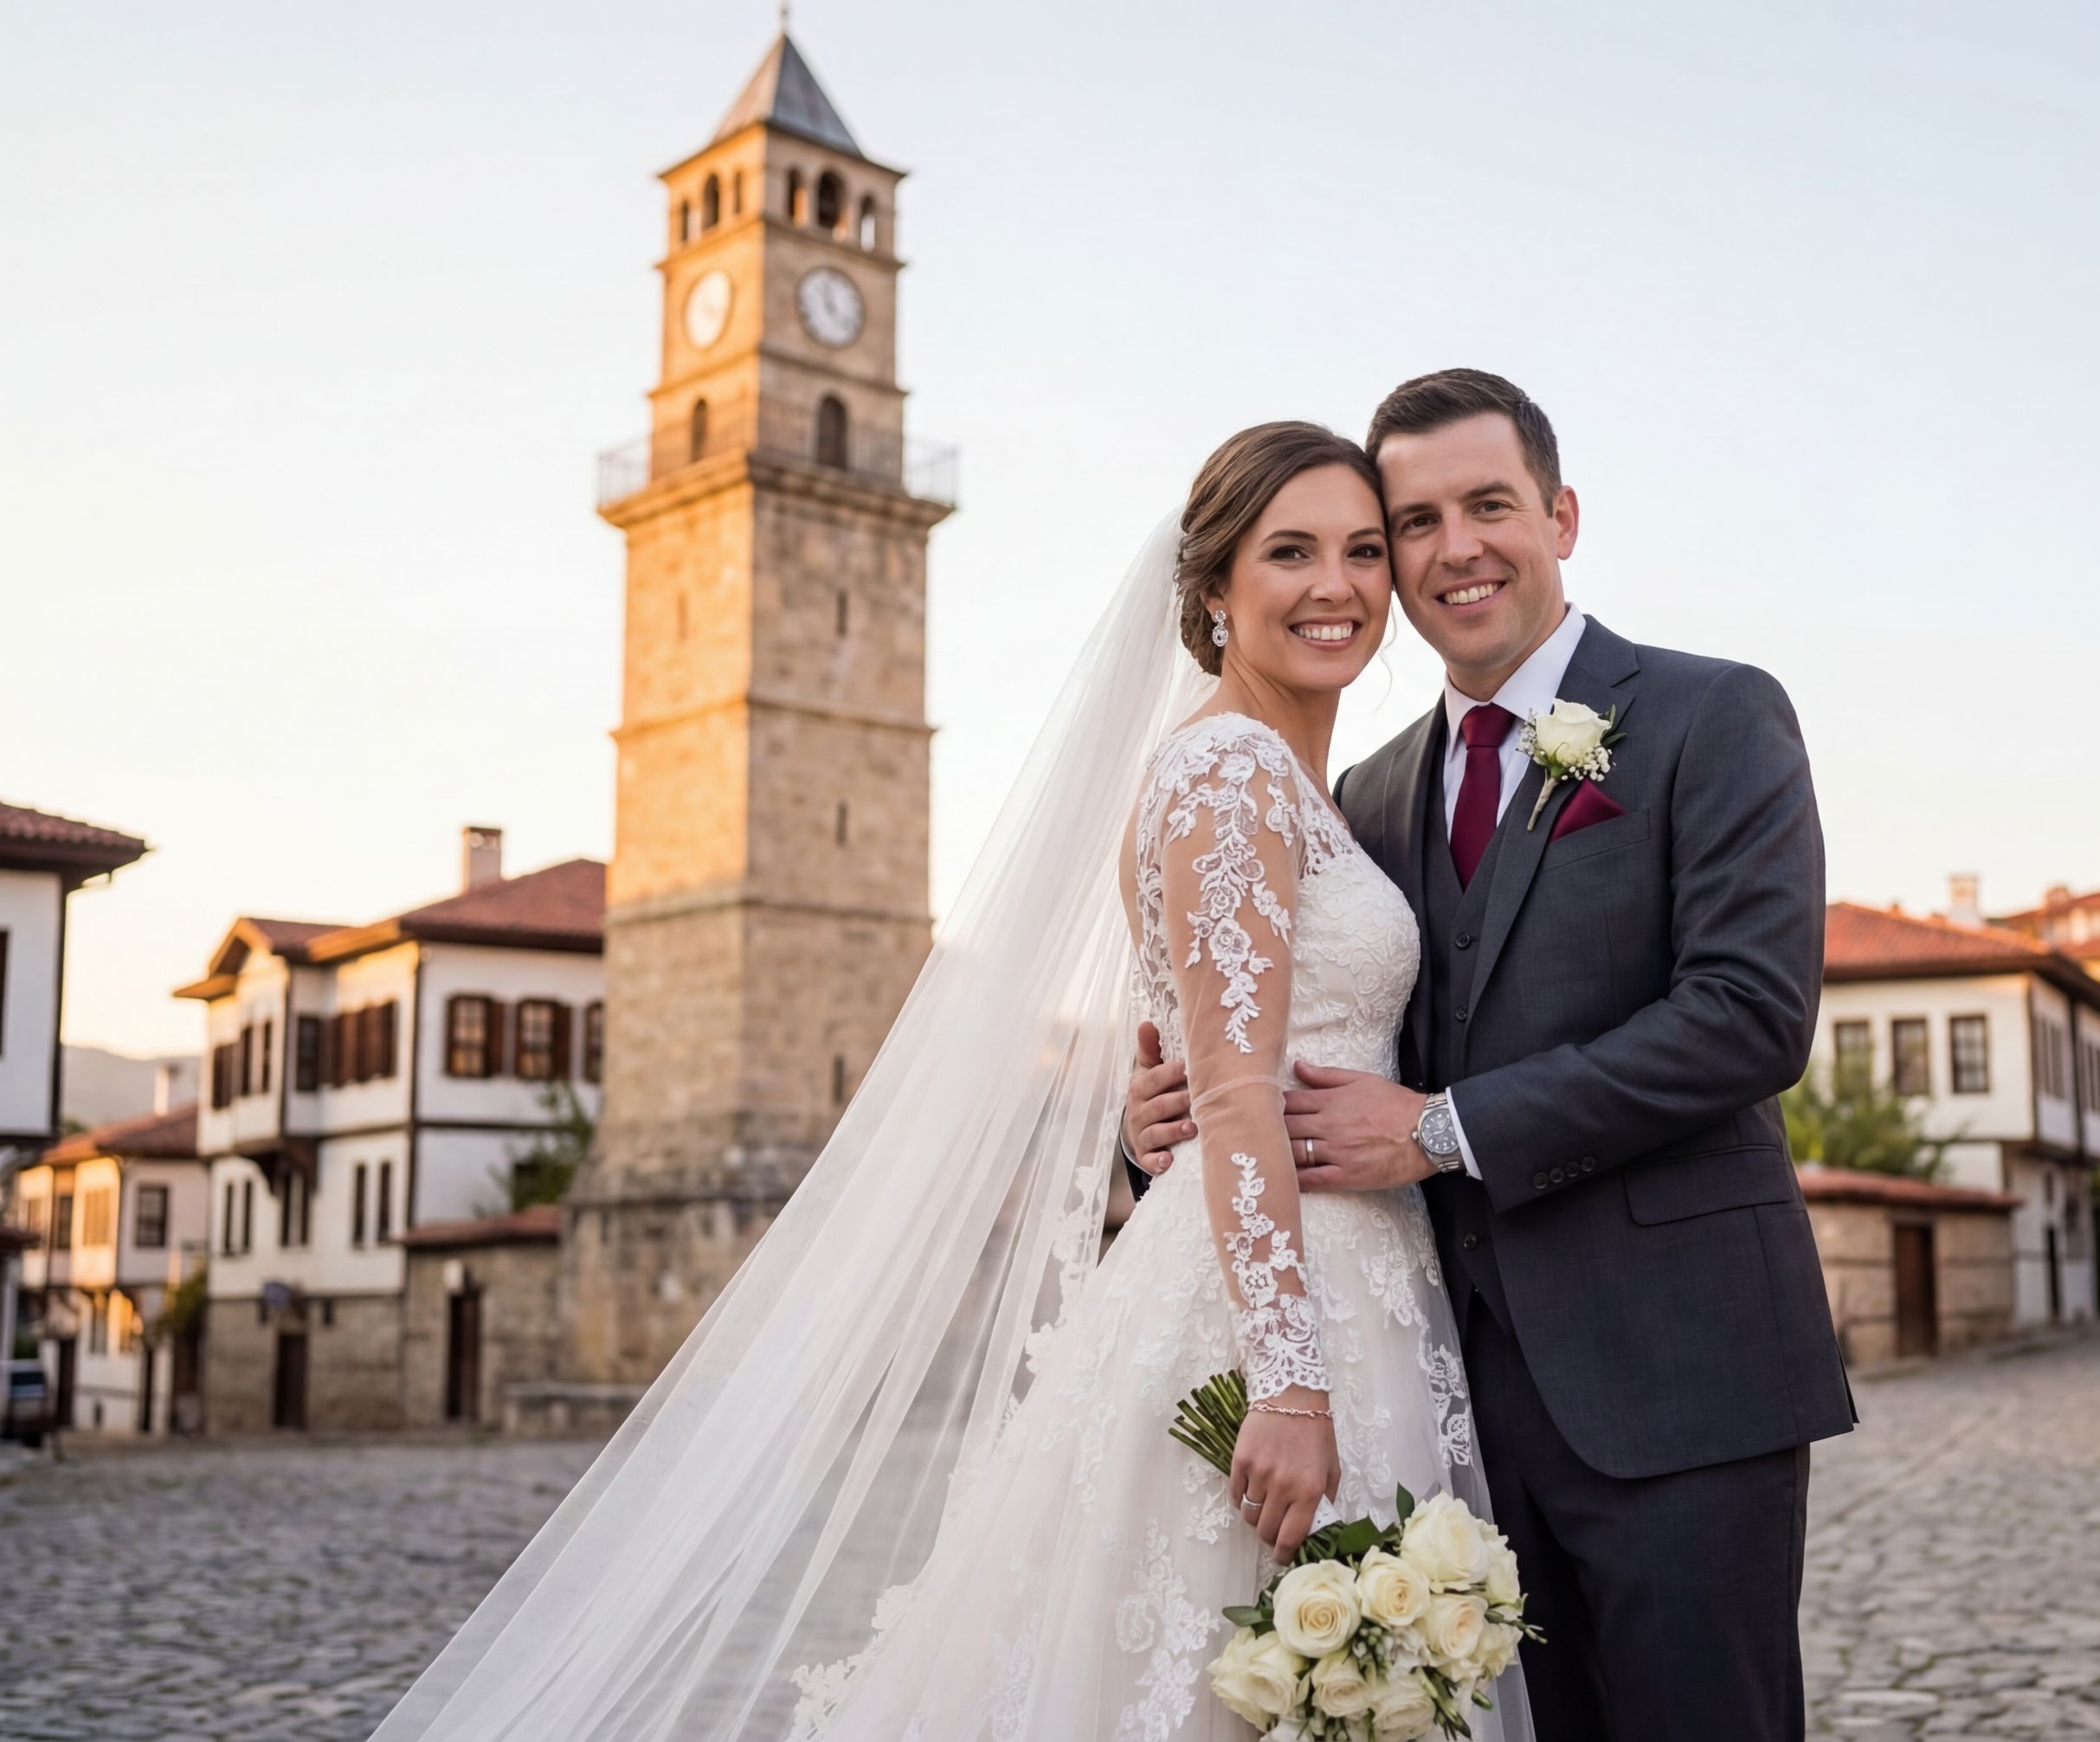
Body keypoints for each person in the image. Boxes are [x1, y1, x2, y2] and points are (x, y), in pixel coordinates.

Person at [370, 423, 1530, 1742]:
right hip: (1283, 1313)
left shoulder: (1289, 781)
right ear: (1213, 590)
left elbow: (1215, 1067)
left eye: (1364, 550)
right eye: (1291, 552)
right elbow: (1230, 1094)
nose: (1338, 584)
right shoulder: (1227, 770)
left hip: (1337, 1276)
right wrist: (1290, 1381)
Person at [1129, 370, 1853, 1740]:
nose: (1453, 546)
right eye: (1414, 521)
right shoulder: (1366, 791)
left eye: (1490, 505)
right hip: (1447, 1399)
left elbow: (1753, 1013)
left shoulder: (1715, 714)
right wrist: (1155, 1098)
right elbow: (1270, 1029)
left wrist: (1445, 1126)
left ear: (1561, 515)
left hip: (1679, 1374)